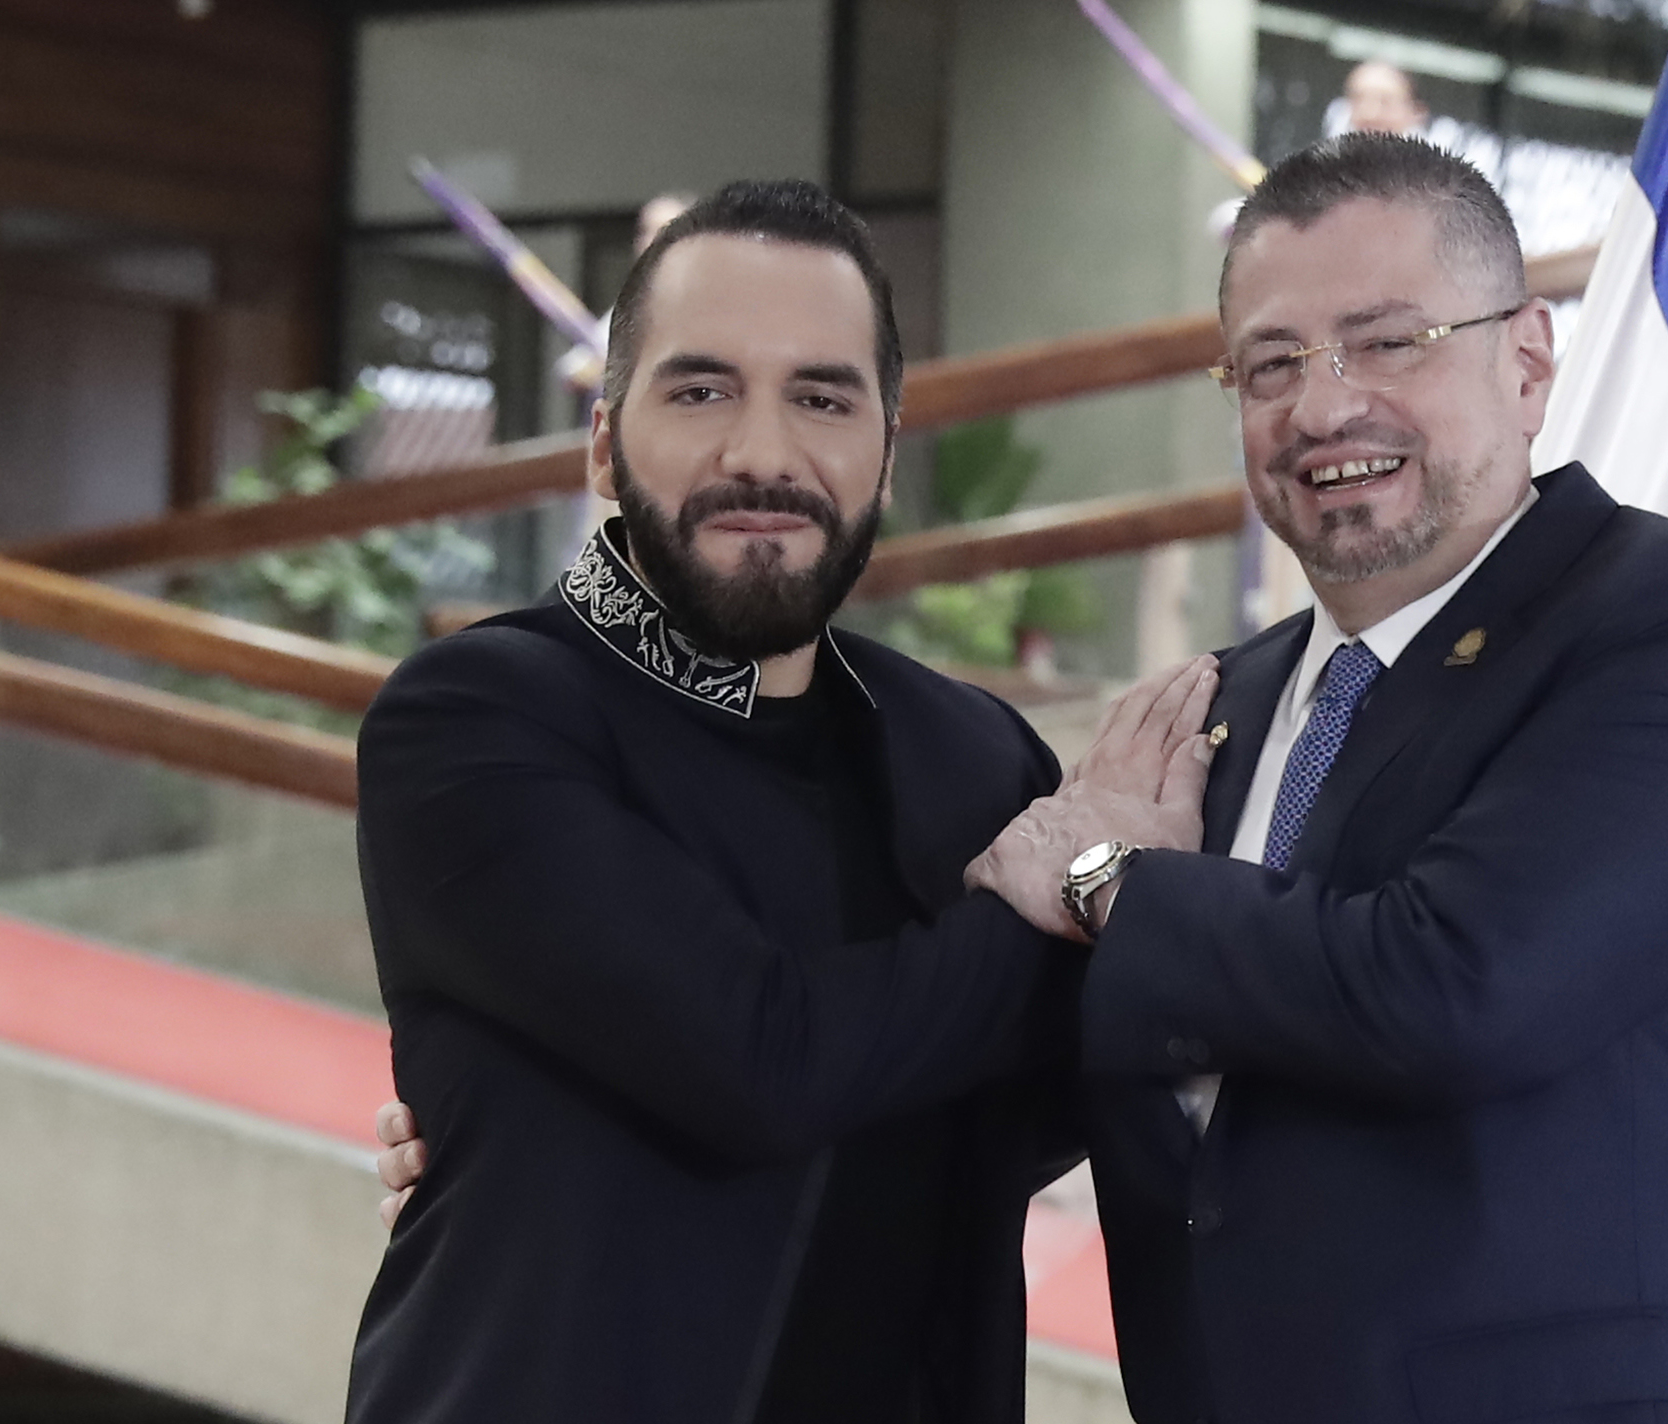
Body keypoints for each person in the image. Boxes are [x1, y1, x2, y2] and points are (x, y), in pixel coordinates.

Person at [968, 132, 1668, 1422]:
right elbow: (1094, 1079)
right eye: (1271, 364)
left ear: (1529, 360)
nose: (1323, 407)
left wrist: (1101, 881)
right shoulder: (1216, 707)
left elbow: (1454, 985)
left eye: (1387, 342)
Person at [345, 178, 1215, 1424]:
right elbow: (762, 1060)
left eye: (820, 397)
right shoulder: (475, 714)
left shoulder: (970, 753)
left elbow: (1018, 1113)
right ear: (602, 439)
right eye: (700, 391)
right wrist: (1052, 887)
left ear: (883, 446)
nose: (762, 452)